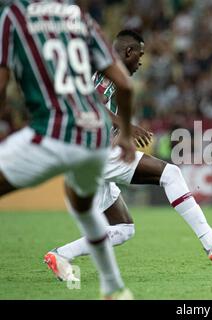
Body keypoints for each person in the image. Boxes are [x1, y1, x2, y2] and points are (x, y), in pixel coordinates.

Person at [44, 30, 212, 280]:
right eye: (139, 55)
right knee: (171, 174)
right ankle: (210, 241)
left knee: (123, 229)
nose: (141, 62)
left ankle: (61, 255)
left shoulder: (107, 72)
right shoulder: (103, 70)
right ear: (128, 52)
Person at [0, 1, 136, 299]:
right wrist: (125, 135)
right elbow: (125, 86)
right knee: (86, 209)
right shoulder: (80, 18)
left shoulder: (14, 15)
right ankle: (113, 288)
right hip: (95, 138)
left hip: (51, 132)